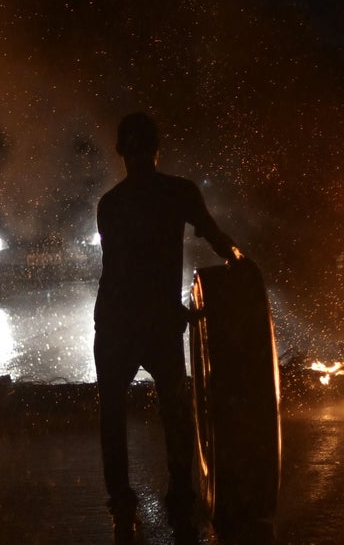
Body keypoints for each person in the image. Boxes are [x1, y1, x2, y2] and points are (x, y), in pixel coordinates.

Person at [94, 112, 240, 543]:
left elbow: (122, 269)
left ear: (128, 151)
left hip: (120, 322)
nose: (137, 157)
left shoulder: (111, 204)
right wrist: (240, 264)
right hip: (151, 324)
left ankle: (126, 503)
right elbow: (213, 236)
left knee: (115, 416)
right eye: (135, 150)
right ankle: (177, 496)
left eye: (138, 149)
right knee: (173, 410)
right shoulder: (177, 193)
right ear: (157, 150)